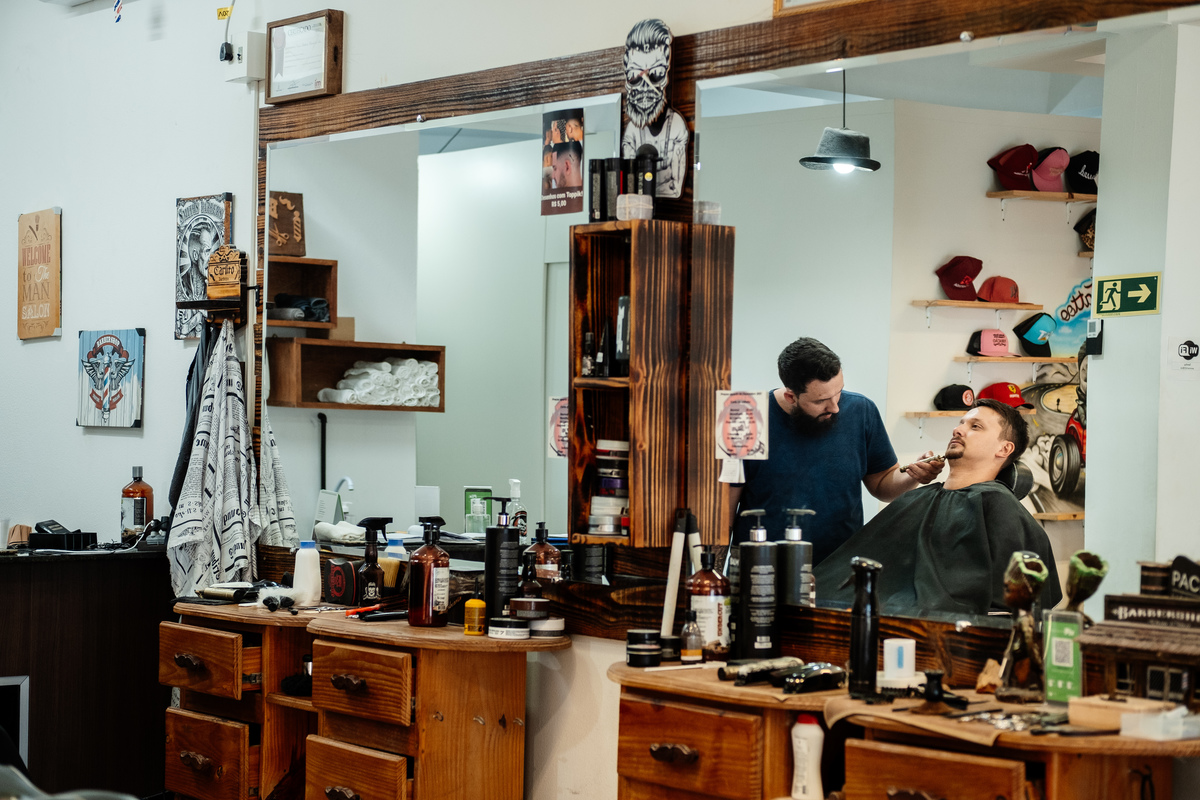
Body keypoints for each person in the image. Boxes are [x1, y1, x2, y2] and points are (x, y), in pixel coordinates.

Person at [813, 399, 1063, 616]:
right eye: (961, 423)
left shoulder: (999, 507)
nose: (958, 430)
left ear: (1004, 448)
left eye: (975, 426)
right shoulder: (917, 498)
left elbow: (1021, 605)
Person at [729, 337, 943, 563]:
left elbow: (883, 485)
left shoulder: (862, 410)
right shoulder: (746, 416)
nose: (835, 407)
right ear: (791, 396)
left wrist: (913, 475)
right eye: (821, 400)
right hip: (761, 567)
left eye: (839, 392)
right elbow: (723, 511)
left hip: (838, 567)